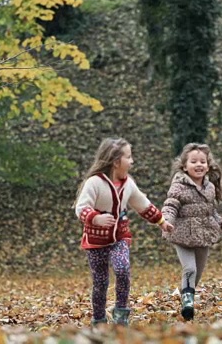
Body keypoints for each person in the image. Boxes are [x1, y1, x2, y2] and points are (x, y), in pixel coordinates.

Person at [74, 137, 174, 327]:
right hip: (96, 242)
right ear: (115, 161)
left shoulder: (128, 184)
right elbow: (81, 207)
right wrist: (95, 217)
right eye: (128, 157)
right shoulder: (94, 183)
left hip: (120, 238)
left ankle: (121, 313)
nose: (132, 161)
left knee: (122, 269)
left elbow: (142, 204)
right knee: (100, 283)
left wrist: (161, 221)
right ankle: (99, 320)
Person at [161, 143, 222, 321]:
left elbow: (210, 211)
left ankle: (186, 294)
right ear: (185, 166)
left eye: (202, 161)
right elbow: (170, 205)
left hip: (203, 235)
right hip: (181, 234)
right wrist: (166, 220)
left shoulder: (210, 188)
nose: (199, 165)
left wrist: (221, 220)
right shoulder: (179, 186)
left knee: (197, 273)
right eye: (194, 161)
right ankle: (188, 305)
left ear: (208, 166)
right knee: (189, 268)